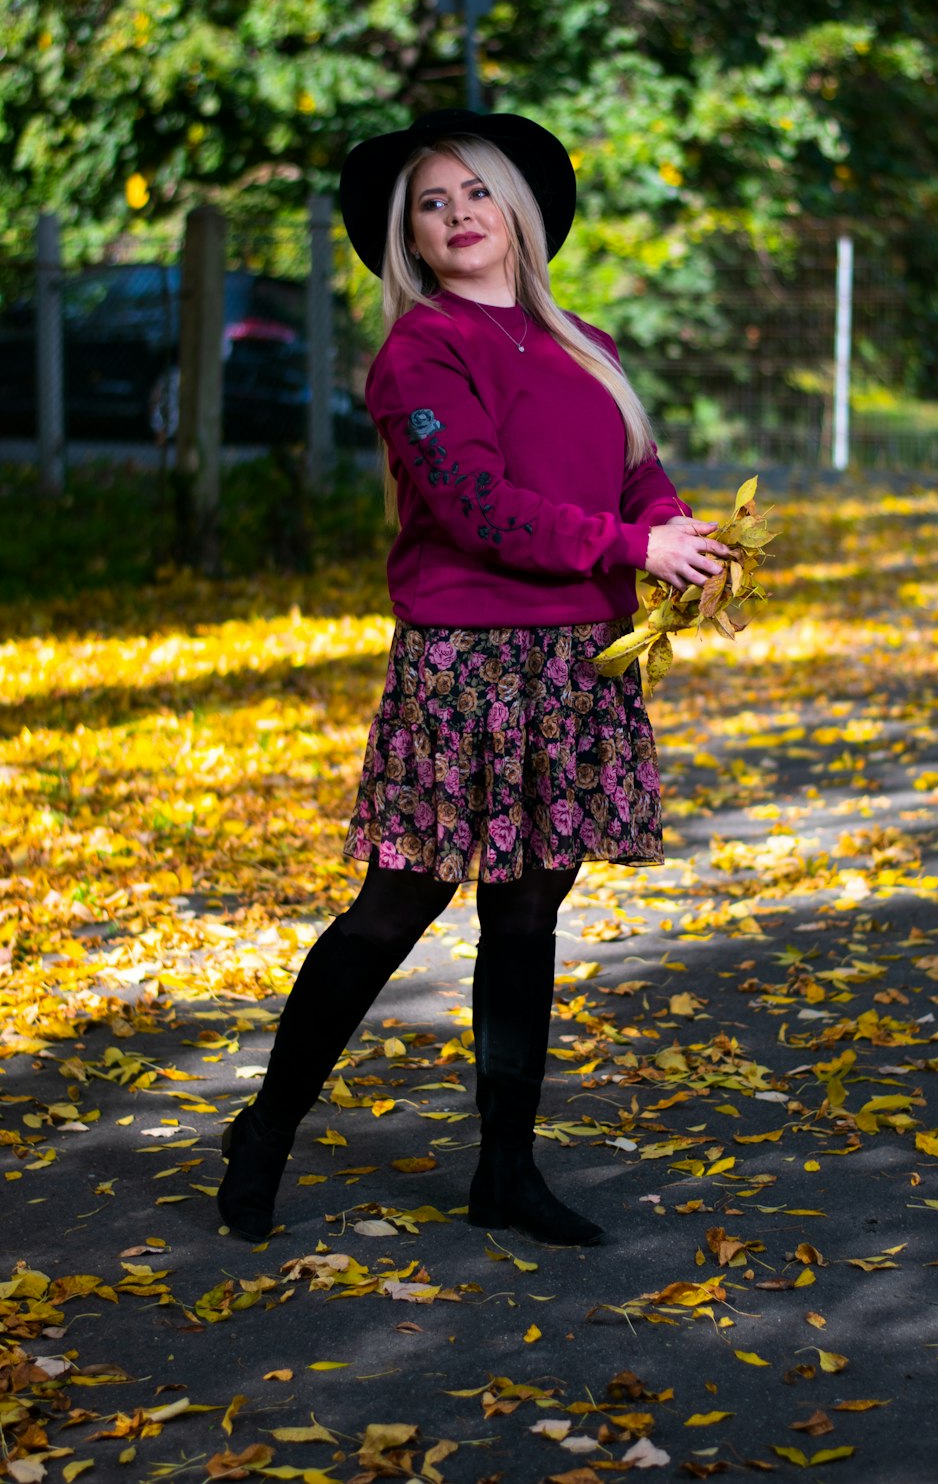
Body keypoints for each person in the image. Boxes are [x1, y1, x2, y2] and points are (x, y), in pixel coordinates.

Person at [217, 108, 730, 1248]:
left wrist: (679, 536)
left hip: (578, 663)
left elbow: (639, 472)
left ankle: (506, 1169)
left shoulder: (582, 338)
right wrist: (626, 546)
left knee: (531, 909)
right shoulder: (420, 352)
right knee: (399, 901)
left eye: (476, 194)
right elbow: (475, 507)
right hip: (467, 664)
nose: (457, 216)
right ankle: (266, 1127)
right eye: (432, 204)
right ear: (411, 234)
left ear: (519, 212)